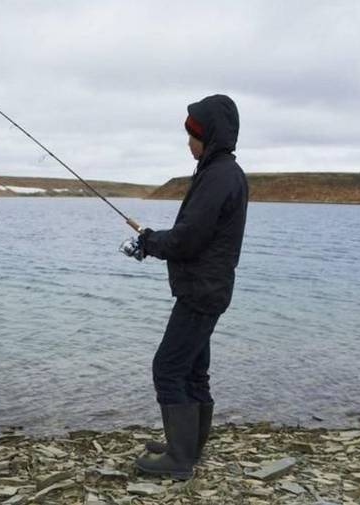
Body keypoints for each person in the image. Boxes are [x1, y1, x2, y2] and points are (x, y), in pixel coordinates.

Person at [133, 94, 248, 479]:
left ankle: (179, 460)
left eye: (191, 135)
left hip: (202, 291)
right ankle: (188, 446)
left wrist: (149, 241)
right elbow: (194, 236)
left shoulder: (219, 175)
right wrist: (153, 241)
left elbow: (188, 239)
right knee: (193, 371)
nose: (188, 143)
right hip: (209, 288)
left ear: (207, 135)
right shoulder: (223, 171)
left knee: (167, 367)